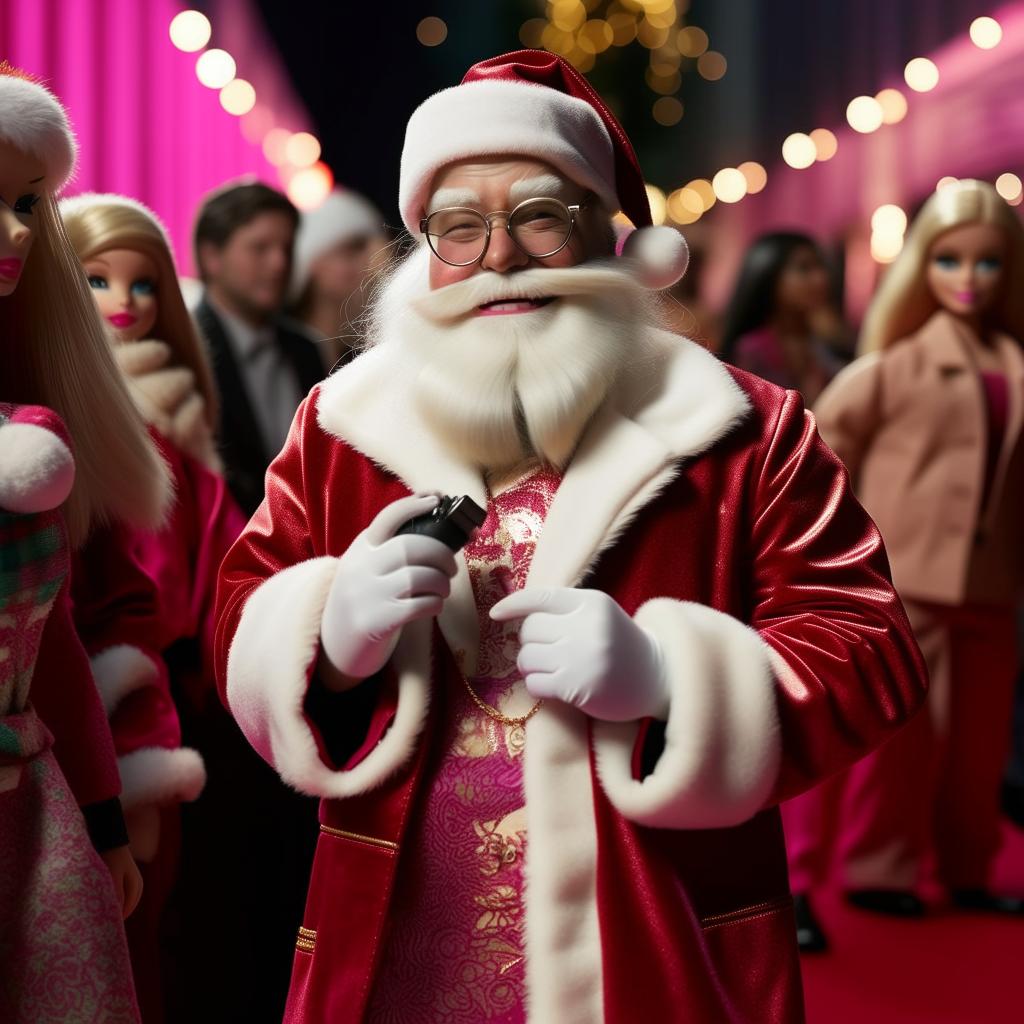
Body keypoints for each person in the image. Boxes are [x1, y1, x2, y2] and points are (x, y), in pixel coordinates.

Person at [214, 51, 926, 1023]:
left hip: (653, 939)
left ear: (607, 233)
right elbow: (238, 606)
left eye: (539, 215)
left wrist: (676, 679)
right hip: (398, 946)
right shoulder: (341, 423)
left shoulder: (744, 426)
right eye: (459, 226)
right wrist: (324, 638)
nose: (498, 255)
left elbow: (870, 642)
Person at [796, 180, 1024, 938]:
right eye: (951, 261)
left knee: (979, 740)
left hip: (991, 588)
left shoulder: (1015, 363)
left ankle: (966, 865)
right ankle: (879, 867)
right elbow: (817, 464)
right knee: (900, 737)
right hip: (906, 581)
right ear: (922, 266)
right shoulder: (888, 370)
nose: (969, 280)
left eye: (988, 265)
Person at [0, 63, 168, 1023]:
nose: (19, 231)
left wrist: (103, 819)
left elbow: (53, 643)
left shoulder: (43, 427)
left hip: (31, 811)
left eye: (30, 203)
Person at [62, 191, 246, 1022]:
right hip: (76, 698)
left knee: (146, 932)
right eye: (97, 281)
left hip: (157, 692)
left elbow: (226, 554)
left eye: (141, 285)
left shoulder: (176, 423)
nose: (124, 304)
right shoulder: (65, 422)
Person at [192, 181, 324, 514]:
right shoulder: (186, 349)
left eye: (287, 248)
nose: (280, 263)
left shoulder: (305, 349)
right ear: (211, 257)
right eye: (260, 248)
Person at [720, 231, 849, 403]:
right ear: (769, 277)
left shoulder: (826, 344)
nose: (821, 279)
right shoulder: (752, 351)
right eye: (804, 269)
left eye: (821, 267)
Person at [288, 187, 388, 371]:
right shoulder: (283, 361)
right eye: (353, 249)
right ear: (311, 265)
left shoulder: (369, 361)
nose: (378, 265)